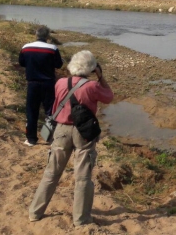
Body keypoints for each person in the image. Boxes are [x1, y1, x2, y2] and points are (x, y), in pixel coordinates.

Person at [29, 50, 113, 226]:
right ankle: (81, 219)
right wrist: (100, 76)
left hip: (60, 130)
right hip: (84, 133)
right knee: (82, 177)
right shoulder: (92, 86)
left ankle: (35, 212)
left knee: (51, 173)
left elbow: (55, 104)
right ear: (91, 68)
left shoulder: (60, 82)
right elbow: (109, 97)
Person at [19, 25, 64, 146]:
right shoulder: (53, 48)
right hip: (48, 83)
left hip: (32, 83)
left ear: (36, 35)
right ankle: (51, 138)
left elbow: (22, 63)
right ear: (47, 36)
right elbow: (59, 64)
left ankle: (31, 139)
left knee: (32, 111)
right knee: (50, 112)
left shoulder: (26, 47)